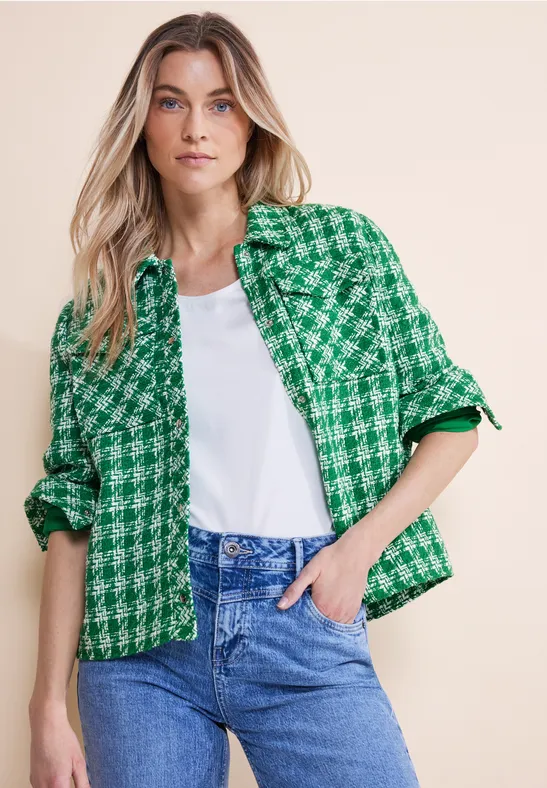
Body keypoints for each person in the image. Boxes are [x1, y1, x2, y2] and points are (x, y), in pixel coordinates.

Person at [25, 11, 502, 788]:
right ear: (141, 123)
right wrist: (47, 706)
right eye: (171, 102)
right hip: (138, 645)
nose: (195, 128)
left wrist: (355, 553)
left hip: (299, 614)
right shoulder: (100, 311)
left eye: (220, 104)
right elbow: (73, 515)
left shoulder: (338, 249)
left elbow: (450, 418)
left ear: (251, 123)